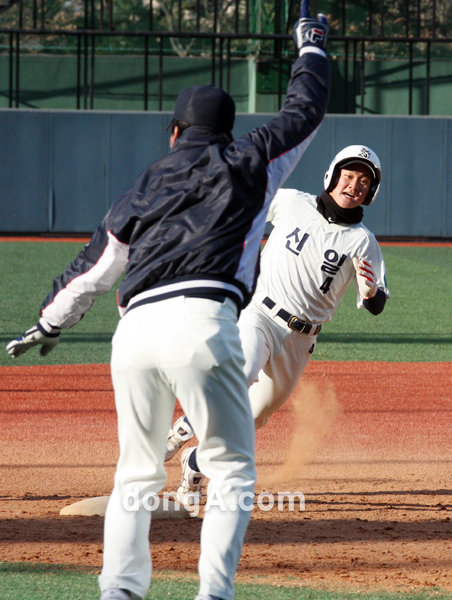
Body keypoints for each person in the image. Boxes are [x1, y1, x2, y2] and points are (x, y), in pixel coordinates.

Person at [5, 8, 331, 600]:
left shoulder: (147, 182)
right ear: (225, 131)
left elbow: (95, 270)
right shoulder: (251, 160)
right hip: (202, 323)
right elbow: (303, 113)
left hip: (132, 336)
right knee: (231, 468)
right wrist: (310, 49)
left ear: (176, 132)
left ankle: (120, 591)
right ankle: (213, 593)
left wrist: (48, 324)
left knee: (134, 474)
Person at [165, 145, 390, 508]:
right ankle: (183, 428)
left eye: (364, 181)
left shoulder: (364, 242)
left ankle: (194, 462)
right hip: (260, 314)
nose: (354, 185)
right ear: (333, 176)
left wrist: (371, 291)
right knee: (239, 372)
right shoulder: (291, 202)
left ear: (372, 191)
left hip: (302, 340)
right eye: (349, 176)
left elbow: (376, 305)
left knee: (250, 419)